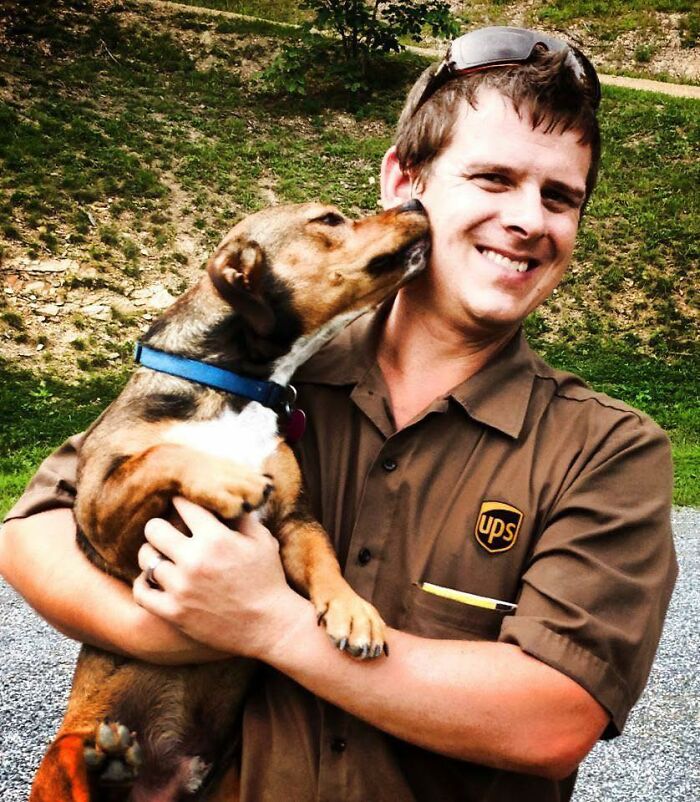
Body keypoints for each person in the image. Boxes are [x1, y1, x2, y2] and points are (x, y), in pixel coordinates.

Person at [0, 26, 677, 802]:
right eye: (493, 179)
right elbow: (31, 532)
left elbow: (553, 722)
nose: (529, 220)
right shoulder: (260, 370)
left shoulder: (608, 449)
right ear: (402, 180)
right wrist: (176, 629)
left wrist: (269, 626)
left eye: (561, 197)